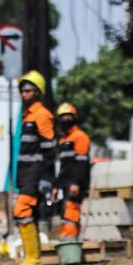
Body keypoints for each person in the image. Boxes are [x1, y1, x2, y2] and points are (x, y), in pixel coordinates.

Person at [12, 69, 55, 265]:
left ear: (38, 92)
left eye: (28, 90)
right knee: (30, 214)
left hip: (35, 173)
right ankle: (34, 260)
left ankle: (32, 258)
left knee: (21, 210)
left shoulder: (42, 115)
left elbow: (49, 148)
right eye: (22, 90)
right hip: (26, 173)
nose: (24, 94)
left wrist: (47, 177)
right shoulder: (27, 115)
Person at [53, 102, 90, 241]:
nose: (65, 120)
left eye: (68, 116)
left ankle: (70, 242)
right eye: (62, 117)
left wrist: (76, 183)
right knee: (65, 213)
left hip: (76, 183)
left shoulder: (80, 137)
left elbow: (81, 164)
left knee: (71, 211)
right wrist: (56, 186)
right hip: (65, 183)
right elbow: (63, 167)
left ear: (75, 117)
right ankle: (69, 241)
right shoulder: (63, 140)